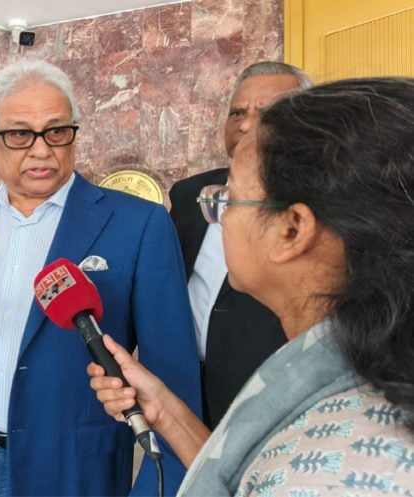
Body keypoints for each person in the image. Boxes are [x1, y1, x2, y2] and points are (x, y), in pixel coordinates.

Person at [0, 58, 201, 496]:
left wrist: (157, 487)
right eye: (19, 134)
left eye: (56, 131)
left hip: (73, 469)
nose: (40, 149)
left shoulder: (138, 223)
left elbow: (173, 375)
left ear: (74, 134)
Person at [89, 77, 414, 496]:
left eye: (229, 199)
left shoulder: (334, 470)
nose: (218, 217)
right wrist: (167, 412)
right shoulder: (346, 363)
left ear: (292, 229)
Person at [168, 62, 313, 428]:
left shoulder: (323, 207)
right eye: (238, 113)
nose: (246, 126)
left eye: (267, 113)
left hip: (272, 399)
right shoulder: (188, 195)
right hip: (183, 391)